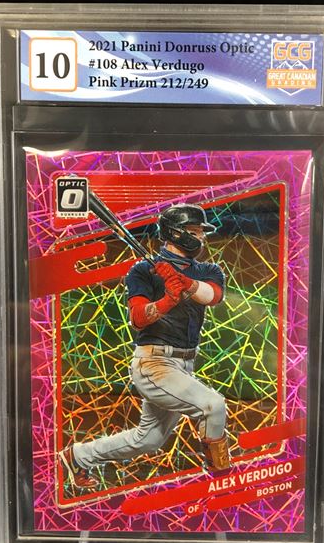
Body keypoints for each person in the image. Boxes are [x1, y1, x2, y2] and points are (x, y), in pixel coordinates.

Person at [59, 204, 230, 489]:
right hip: (154, 364)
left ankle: (78, 456)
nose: (201, 237)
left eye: (201, 232)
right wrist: (167, 301)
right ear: (176, 233)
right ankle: (220, 477)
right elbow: (138, 319)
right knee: (213, 406)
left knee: (148, 440)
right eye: (194, 231)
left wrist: (186, 284)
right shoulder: (143, 271)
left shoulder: (207, 269)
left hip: (184, 364)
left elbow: (214, 296)